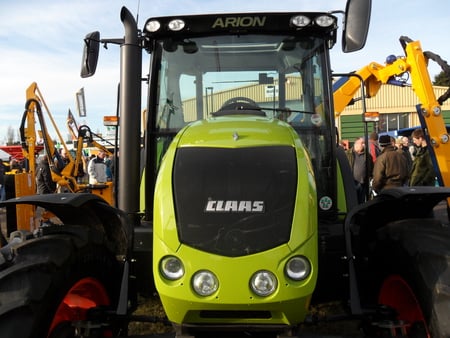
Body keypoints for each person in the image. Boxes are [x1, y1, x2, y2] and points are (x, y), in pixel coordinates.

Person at [346, 137, 373, 203]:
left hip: (363, 184)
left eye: (364, 143)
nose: (364, 145)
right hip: (351, 184)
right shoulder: (348, 154)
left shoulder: (367, 155)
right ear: (356, 144)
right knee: (352, 202)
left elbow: (371, 168)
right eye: (362, 143)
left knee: (361, 203)